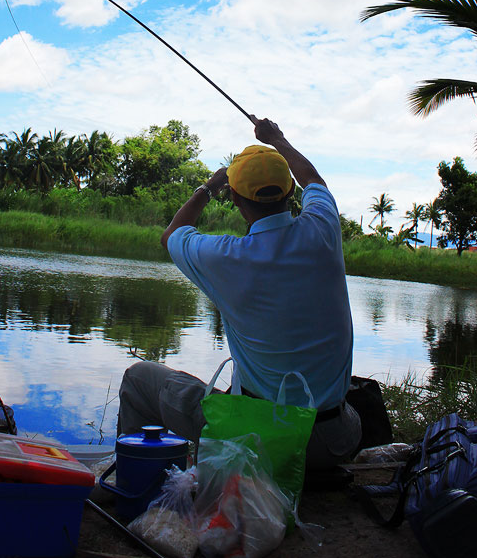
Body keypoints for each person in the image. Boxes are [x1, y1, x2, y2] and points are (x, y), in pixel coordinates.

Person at [118, 116, 361, 469]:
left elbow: (172, 235)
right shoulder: (323, 230)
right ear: (290, 192)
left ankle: (137, 476)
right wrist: (278, 139)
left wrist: (207, 187)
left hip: (265, 445)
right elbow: (313, 180)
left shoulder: (225, 258)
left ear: (234, 197)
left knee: (139, 379)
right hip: (335, 441)